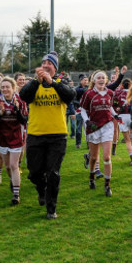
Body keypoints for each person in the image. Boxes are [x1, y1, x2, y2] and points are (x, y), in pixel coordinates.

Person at [19, 51, 76, 219]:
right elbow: (23, 96)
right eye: (43, 63)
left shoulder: (61, 82)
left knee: (53, 173)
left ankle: (51, 209)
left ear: (55, 68)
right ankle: (41, 189)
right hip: (36, 135)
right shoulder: (33, 84)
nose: (45, 65)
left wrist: (52, 83)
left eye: (49, 63)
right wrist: (38, 81)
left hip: (57, 136)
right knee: (34, 172)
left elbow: (70, 96)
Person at [0, 77, 28, 204]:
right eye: (3, 87)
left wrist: (16, 111)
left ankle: (16, 195)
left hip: (16, 137)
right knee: (7, 166)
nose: (5, 89)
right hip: (2, 138)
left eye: (7, 87)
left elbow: (24, 121)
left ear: (13, 88)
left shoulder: (20, 102)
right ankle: (12, 181)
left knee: (13, 165)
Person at [79, 70, 116, 196]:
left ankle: (107, 185)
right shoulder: (88, 94)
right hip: (94, 126)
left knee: (106, 157)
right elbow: (82, 110)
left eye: (103, 78)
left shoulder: (110, 93)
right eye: (98, 77)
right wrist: (87, 120)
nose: (101, 79)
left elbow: (110, 107)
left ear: (106, 80)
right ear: (94, 80)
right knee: (94, 157)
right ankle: (91, 176)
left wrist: (116, 115)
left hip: (107, 125)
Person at [113, 78, 132, 166]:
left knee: (127, 140)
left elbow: (114, 104)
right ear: (130, 84)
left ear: (122, 85)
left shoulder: (118, 93)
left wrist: (118, 108)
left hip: (122, 117)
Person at [73, 74, 88, 149]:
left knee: (88, 128)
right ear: (81, 81)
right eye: (84, 80)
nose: (86, 81)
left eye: (87, 80)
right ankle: (78, 143)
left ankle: (89, 143)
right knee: (78, 128)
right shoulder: (76, 89)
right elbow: (74, 100)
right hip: (79, 110)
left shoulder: (89, 88)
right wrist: (79, 105)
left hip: (87, 111)